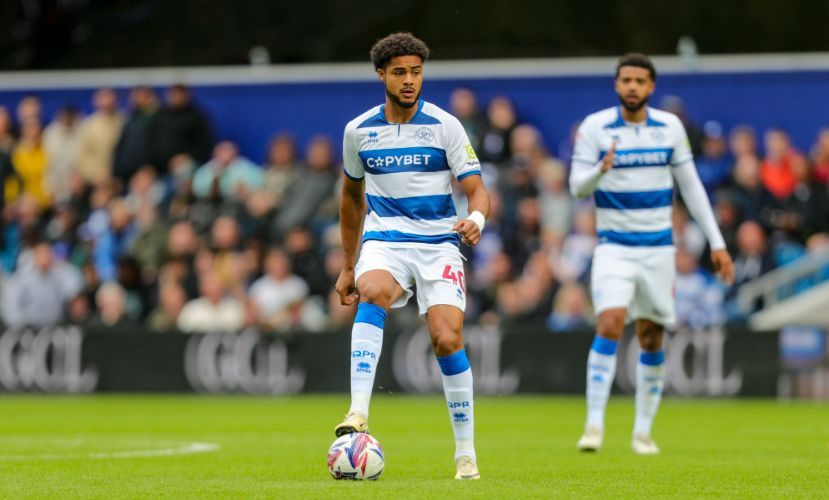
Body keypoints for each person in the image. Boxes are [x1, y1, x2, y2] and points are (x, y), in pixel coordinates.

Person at [333, 33, 489, 480]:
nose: (408, 80)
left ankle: (465, 454)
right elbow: (351, 197)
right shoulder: (358, 131)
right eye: (399, 72)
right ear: (381, 74)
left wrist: (476, 218)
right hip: (386, 239)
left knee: (447, 338)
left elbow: (477, 189)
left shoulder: (445, 125)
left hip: (439, 244)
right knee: (372, 290)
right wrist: (348, 265)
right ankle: (358, 412)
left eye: (416, 72)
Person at [568, 53, 734, 455]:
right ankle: (593, 426)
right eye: (626, 80)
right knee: (610, 322)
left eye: (640, 81)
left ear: (651, 86)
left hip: (658, 249)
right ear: (616, 84)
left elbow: (691, 187)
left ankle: (642, 431)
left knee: (650, 335)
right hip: (614, 247)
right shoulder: (595, 127)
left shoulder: (669, 128)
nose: (633, 87)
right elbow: (576, 187)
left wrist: (717, 242)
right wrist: (599, 170)